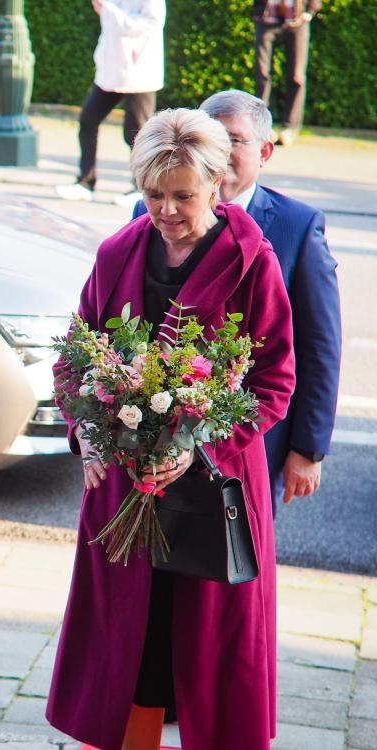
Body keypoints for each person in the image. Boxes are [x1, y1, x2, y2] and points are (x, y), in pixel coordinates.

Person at [47, 108, 295, 750]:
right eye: (153, 195)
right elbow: (76, 359)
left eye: (183, 195)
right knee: (131, 655)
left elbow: (274, 383)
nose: (166, 211)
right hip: (122, 493)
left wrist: (197, 442)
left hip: (214, 492)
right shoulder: (116, 253)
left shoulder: (253, 264)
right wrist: (93, 438)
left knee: (211, 666)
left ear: (217, 183)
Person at [132, 89, 341, 514]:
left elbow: (318, 345)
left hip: (248, 441)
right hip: (150, 443)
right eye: (210, 137)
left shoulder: (295, 227)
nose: (220, 151)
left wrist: (309, 448)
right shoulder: (145, 212)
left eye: (234, 140)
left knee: (230, 561)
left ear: (265, 151)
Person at [55, 0, 165, 207]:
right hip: (111, 72)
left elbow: (150, 23)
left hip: (138, 72)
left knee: (137, 134)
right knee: (88, 119)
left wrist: (109, 8)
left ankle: (142, 189)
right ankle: (85, 182)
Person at [252, 0, 320, 146]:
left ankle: (290, 128)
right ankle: (262, 126)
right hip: (266, 18)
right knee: (262, 73)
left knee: (297, 76)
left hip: (298, 19)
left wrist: (310, 11)